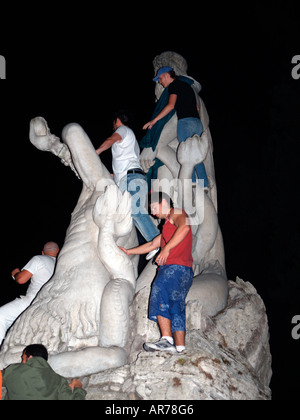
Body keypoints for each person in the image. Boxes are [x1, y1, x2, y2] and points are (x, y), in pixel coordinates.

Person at [120, 192, 193, 353]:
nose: (153, 212)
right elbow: (152, 244)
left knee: (159, 291)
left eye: (154, 207)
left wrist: (166, 249)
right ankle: (180, 347)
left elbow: (186, 227)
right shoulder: (168, 228)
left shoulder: (176, 213)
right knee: (176, 305)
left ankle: (166, 339)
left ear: (164, 202)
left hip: (173, 267)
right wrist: (129, 252)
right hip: (185, 271)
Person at [96, 110, 160, 243]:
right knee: (130, 214)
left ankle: (158, 242)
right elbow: (120, 169)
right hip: (130, 178)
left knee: (135, 211)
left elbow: (111, 140)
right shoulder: (129, 143)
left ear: (117, 120)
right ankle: (153, 241)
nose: (113, 127)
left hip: (132, 178)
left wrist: (96, 152)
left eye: (113, 124)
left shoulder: (123, 130)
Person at [143, 67, 209, 188]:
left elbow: (171, 105)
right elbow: (197, 108)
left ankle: (192, 182)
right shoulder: (187, 86)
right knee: (196, 153)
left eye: (160, 78)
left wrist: (154, 120)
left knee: (187, 154)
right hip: (197, 123)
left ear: (167, 75)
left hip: (185, 123)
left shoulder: (174, 86)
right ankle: (204, 183)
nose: (160, 82)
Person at [0, 242, 59, 347]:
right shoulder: (60, 264)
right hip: (52, 306)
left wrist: (16, 274)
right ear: (58, 252)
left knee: (1, 316)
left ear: (43, 252)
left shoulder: (39, 259)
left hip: (32, 302)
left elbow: (21, 279)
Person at [0, 344, 86, 400]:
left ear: (29, 357)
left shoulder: (14, 370)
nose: (21, 362)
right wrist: (78, 387)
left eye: (23, 358)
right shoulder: (58, 380)